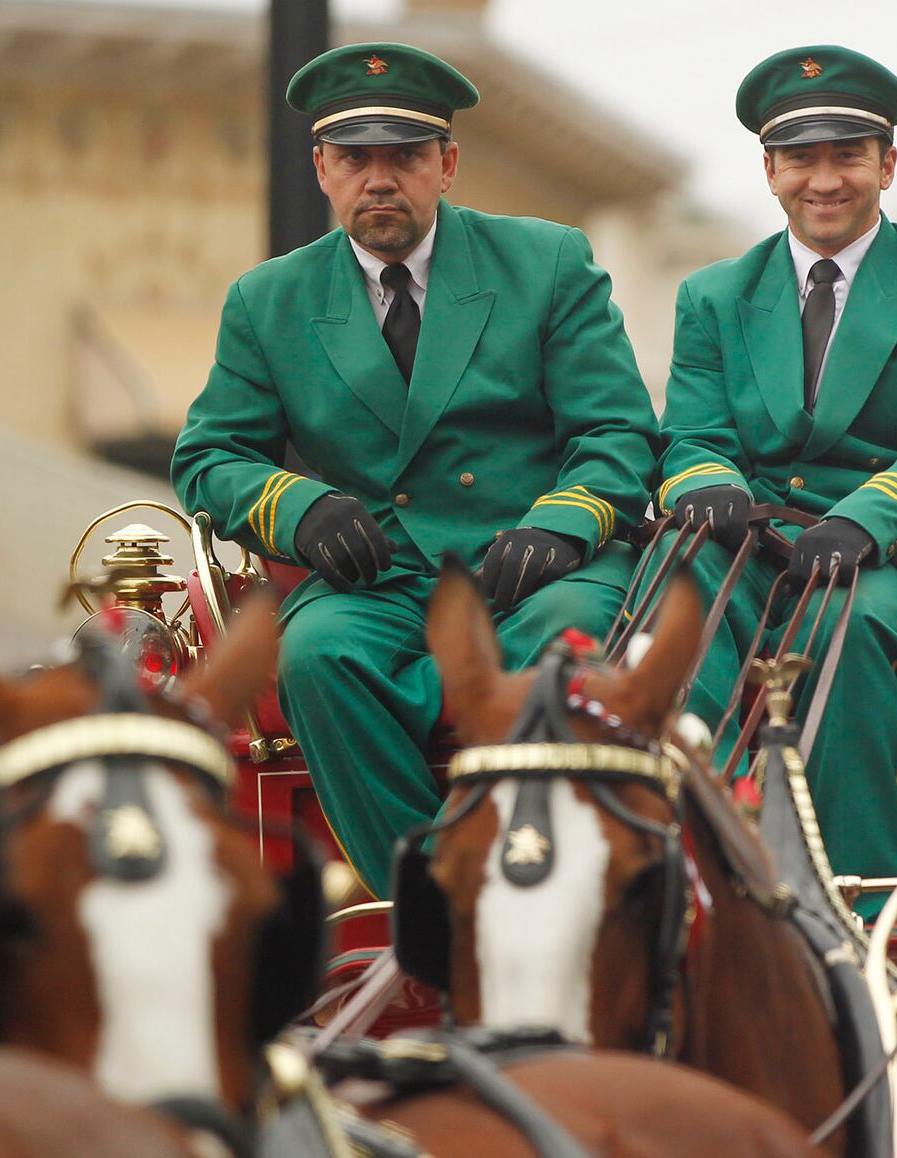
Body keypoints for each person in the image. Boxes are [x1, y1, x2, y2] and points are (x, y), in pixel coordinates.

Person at [171, 43, 658, 896]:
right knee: (317, 655)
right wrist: (299, 509)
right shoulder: (268, 299)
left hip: (534, 569)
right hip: (379, 578)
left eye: (405, 156)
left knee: (571, 644)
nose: (380, 179)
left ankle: (557, 891)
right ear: (322, 169)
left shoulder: (548, 263)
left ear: (448, 165)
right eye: (356, 158)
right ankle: (436, 905)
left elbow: (617, 431)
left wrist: (565, 521)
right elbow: (210, 455)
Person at [649, 45, 897, 906]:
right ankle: (683, 884)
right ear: (769, 170)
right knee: (667, 617)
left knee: (838, 641)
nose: (825, 180)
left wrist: (865, 517)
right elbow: (690, 434)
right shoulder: (713, 295)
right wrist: (703, 480)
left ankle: (857, 911)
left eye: (848, 155)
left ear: (888, 163)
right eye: (801, 158)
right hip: (748, 536)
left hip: (882, 549)